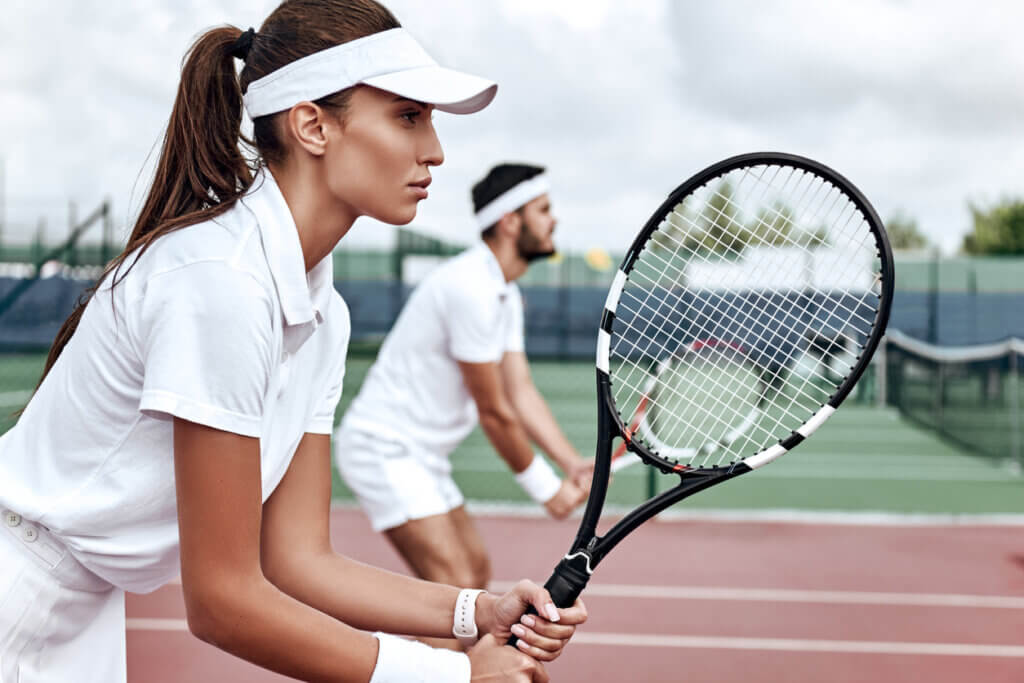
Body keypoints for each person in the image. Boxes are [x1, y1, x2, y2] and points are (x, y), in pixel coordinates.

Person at [0, 3, 586, 682]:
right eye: (408, 116)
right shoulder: (220, 281)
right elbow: (221, 601)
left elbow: (299, 559)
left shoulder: (322, 313)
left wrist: (477, 611)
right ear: (313, 126)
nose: (435, 149)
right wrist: (453, 676)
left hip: (75, 611)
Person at [334, 163, 593, 610]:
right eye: (543, 210)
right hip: (383, 448)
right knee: (455, 592)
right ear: (510, 221)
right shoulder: (470, 287)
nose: (554, 220)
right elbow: (494, 411)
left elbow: (520, 391)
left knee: (473, 576)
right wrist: (546, 489)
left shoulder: (503, 293)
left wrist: (570, 463)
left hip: (423, 456)